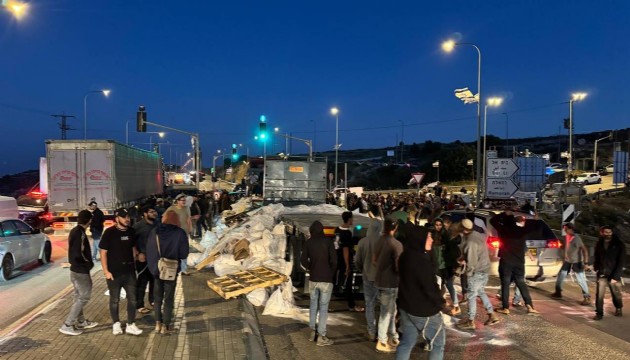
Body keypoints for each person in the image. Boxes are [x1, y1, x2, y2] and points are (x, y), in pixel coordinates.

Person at [396, 222, 445, 360]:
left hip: (406, 306)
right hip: (424, 310)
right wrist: (440, 302)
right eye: (429, 237)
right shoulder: (421, 261)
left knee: (406, 342)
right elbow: (429, 287)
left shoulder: (405, 256)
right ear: (420, 239)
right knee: (437, 344)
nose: (431, 239)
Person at [99, 208, 143, 336]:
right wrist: (106, 271)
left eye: (128, 217)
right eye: (124, 217)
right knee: (115, 299)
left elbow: (133, 248)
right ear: (117, 218)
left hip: (129, 271)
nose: (127, 219)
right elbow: (103, 253)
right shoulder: (109, 233)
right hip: (114, 273)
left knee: (133, 299)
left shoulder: (131, 231)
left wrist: (138, 255)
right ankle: (116, 323)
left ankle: (131, 324)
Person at [146, 210, 190, 334]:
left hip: (157, 270)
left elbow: (150, 250)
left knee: (157, 297)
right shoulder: (179, 233)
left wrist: (154, 267)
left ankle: (157, 324)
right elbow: (184, 253)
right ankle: (166, 326)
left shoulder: (155, 231)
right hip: (171, 270)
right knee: (169, 298)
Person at [490, 211, 540, 315]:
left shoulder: (503, 230)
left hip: (506, 262)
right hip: (519, 263)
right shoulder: (522, 231)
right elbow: (534, 227)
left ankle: (505, 308)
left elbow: (492, 220)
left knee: (505, 284)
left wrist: (504, 213)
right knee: (521, 283)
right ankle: (529, 306)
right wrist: (535, 219)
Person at [59, 210, 99, 335]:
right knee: (83, 297)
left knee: (78, 297)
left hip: (75, 270)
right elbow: (78, 253)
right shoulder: (80, 233)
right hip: (81, 271)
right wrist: (88, 264)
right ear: (89, 220)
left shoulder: (75, 231)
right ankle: (68, 324)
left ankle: (81, 321)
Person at [456, 219, 500, 330]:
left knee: (471, 295)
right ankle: (491, 314)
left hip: (477, 271)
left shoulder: (470, 241)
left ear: (463, 228)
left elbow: (472, 260)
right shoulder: (477, 235)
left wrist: (468, 272)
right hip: (484, 269)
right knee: (481, 291)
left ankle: (471, 321)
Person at [300, 220, 337, 346]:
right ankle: (321, 336)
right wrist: (330, 273)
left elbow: (303, 260)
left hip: (313, 279)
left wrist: (311, 267)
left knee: (313, 305)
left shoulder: (309, 242)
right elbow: (334, 261)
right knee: (323, 307)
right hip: (326, 280)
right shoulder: (328, 242)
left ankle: (312, 331)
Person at [373, 217, 403, 353]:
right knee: (387, 312)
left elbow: (374, 260)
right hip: (390, 282)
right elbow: (399, 266)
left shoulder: (379, 241)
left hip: (379, 280)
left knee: (391, 310)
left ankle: (392, 336)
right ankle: (382, 340)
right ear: (395, 228)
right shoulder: (396, 244)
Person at [355, 218, 383, 342]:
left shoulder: (362, 242)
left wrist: (362, 269)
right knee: (383, 306)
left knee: (369, 304)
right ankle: (382, 332)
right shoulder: (383, 242)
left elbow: (357, 260)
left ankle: (371, 331)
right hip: (382, 279)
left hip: (367, 276)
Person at [551, 223, 591, 305]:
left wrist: (586, 263)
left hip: (577, 261)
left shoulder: (577, 239)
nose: (564, 230)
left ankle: (587, 297)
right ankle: (558, 292)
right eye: (564, 229)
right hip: (567, 261)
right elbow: (566, 247)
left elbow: (584, 250)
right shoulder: (566, 237)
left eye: (566, 229)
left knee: (581, 279)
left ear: (571, 229)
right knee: (561, 276)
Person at [592, 225, 625, 320]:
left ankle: (618, 308)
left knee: (616, 293)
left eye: (610, 232)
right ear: (602, 233)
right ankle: (599, 313)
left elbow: (621, 261)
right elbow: (597, 256)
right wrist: (596, 267)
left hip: (614, 273)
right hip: (602, 273)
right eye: (606, 232)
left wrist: (616, 276)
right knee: (599, 295)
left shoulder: (618, 244)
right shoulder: (599, 243)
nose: (608, 234)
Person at [334, 211, 363, 312]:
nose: (353, 220)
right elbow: (345, 249)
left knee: (334, 281)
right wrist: (347, 265)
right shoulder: (347, 233)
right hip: (344, 260)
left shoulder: (337, 229)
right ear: (349, 219)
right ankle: (351, 305)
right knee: (348, 282)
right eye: (352, 218)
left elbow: (337, 245)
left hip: (336, 258)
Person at [133, 205, 158, 315]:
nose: (154, 213)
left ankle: (153, 300)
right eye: (152, 211)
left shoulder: (157, 225)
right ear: (145, 214)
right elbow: (131, 242)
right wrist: (138, 254)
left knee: (155, 281)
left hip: (155, 259)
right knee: (142, 283)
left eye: (154, 212)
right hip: (143, 260)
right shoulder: (138, 227)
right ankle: (139, 305)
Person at [166, 193, 192, 276]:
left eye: (185, 200)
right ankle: (174, 268)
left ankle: (184, 269)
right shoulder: (171, 209)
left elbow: (188, 220)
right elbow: (164, 219)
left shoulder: (186, 208)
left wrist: (189, 229)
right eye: (182, 200)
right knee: (175, 250)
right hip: (174, 234)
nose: (184, 202)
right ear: (177, 201)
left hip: (184, 233)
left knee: (184, 251)